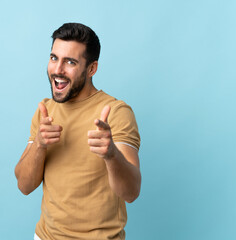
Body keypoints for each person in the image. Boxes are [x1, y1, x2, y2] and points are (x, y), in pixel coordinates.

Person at [15, 23, 141, 240]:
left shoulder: (116, 112)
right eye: (54, 58)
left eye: (70, 62)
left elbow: (131, 193)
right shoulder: (45, 111)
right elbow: (24, 186)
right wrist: (39, 144)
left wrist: (111, 154)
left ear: (92, 69)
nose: (57, 70)